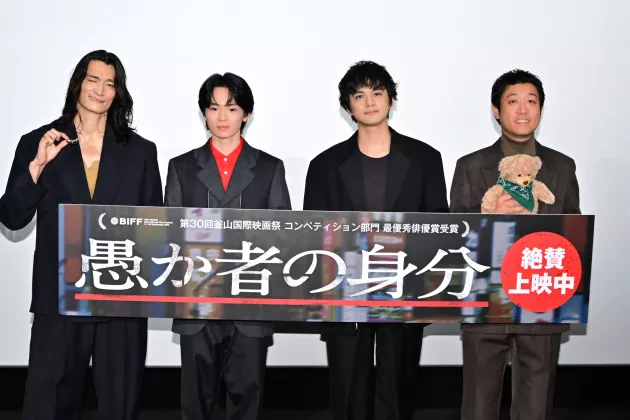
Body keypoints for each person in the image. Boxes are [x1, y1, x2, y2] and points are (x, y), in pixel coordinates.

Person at [0, 50, 163, 420]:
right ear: (78, 83)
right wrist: (37, 166)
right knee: (49, 405)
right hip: (58, 299)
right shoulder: (39, 142)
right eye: (93, 80)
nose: (100, 90)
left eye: (110, 83)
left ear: (118, 92)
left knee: (119, 405)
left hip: (121, 299)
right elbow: (12, 217)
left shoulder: (141, 151)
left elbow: (155, 228)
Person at [303, 60, 449, 420]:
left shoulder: (426, 159)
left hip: (405, 293)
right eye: (359, 95)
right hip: (343, 295)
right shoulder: (324, 165)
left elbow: (439, 230)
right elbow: (313, 238)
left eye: (378, 92)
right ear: (347, 107)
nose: (369, 102)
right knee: (348, 392)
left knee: (397, 392)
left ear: (391, 100)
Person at [450, 69, 580, 420]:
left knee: (535, 406)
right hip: (485, 301)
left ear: (541, 109)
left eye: (531, 101)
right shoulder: (470, 166)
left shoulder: (562, 167)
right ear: (496, 110)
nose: (523, 110)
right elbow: (454, 233)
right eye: (513, 101)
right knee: (479, 405)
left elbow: (573, 233)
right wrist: (486, 213)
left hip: (541, 302)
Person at [164, 72, 292, 420]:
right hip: (196, 302)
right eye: (214, 108)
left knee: (247, 399)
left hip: (250, 303)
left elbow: (282, 236)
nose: (222, 117)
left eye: (232, 108)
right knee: (195, 401)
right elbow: (170, 236)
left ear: (246, 114)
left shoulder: (269, 168)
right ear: (204, 113)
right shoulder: (181, 167)